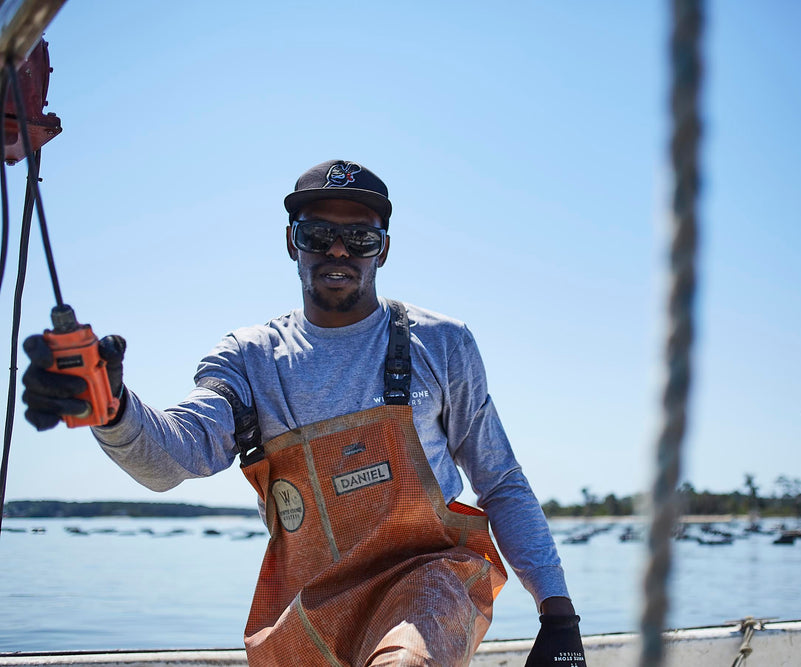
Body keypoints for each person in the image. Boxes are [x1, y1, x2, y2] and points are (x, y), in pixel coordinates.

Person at [22, 160, 587, 667]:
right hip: (309, 608)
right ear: (293, 244)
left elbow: (501, 481)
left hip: (427, 584)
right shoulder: (251, 358)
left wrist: (558, 615)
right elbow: (175, 457)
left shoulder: (442, 344)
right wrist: (111, 408)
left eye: (360, 238)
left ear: (382, 249)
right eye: (318, 234)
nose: (338, 251)